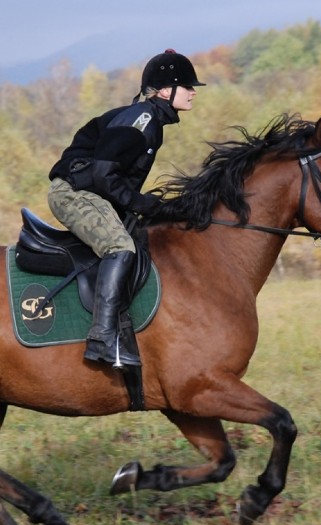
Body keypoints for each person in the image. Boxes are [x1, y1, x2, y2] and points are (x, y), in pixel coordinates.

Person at [47, 49, 205, 369]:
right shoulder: (142, 119)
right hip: (74, 192)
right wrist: (146, 204)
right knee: (120, 247)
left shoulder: (149, 120)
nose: (192, 92)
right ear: (164, 90)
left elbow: (115, 180)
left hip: (92, 192)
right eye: (186, 86)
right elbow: (104, 175)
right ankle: (102, 338)